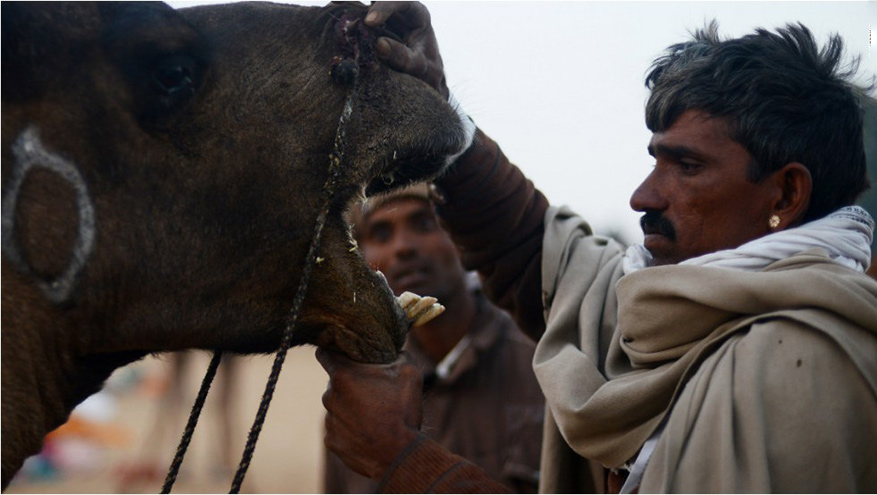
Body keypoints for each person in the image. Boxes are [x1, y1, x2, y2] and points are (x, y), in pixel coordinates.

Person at [319, 3, 877, 493]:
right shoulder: (671, 312)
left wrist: (406, 461)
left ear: (787, 192)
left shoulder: (802, 367)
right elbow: (532, 252)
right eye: (655, 160)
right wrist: (433, 106)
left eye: (687, 166)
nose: (643, 196)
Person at [323, 184, 545, 493]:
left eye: (425, 224)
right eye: (382, 234)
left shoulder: (541, 365)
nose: (403, 247)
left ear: (463, 239)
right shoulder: (359, 391)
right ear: (359, 256)